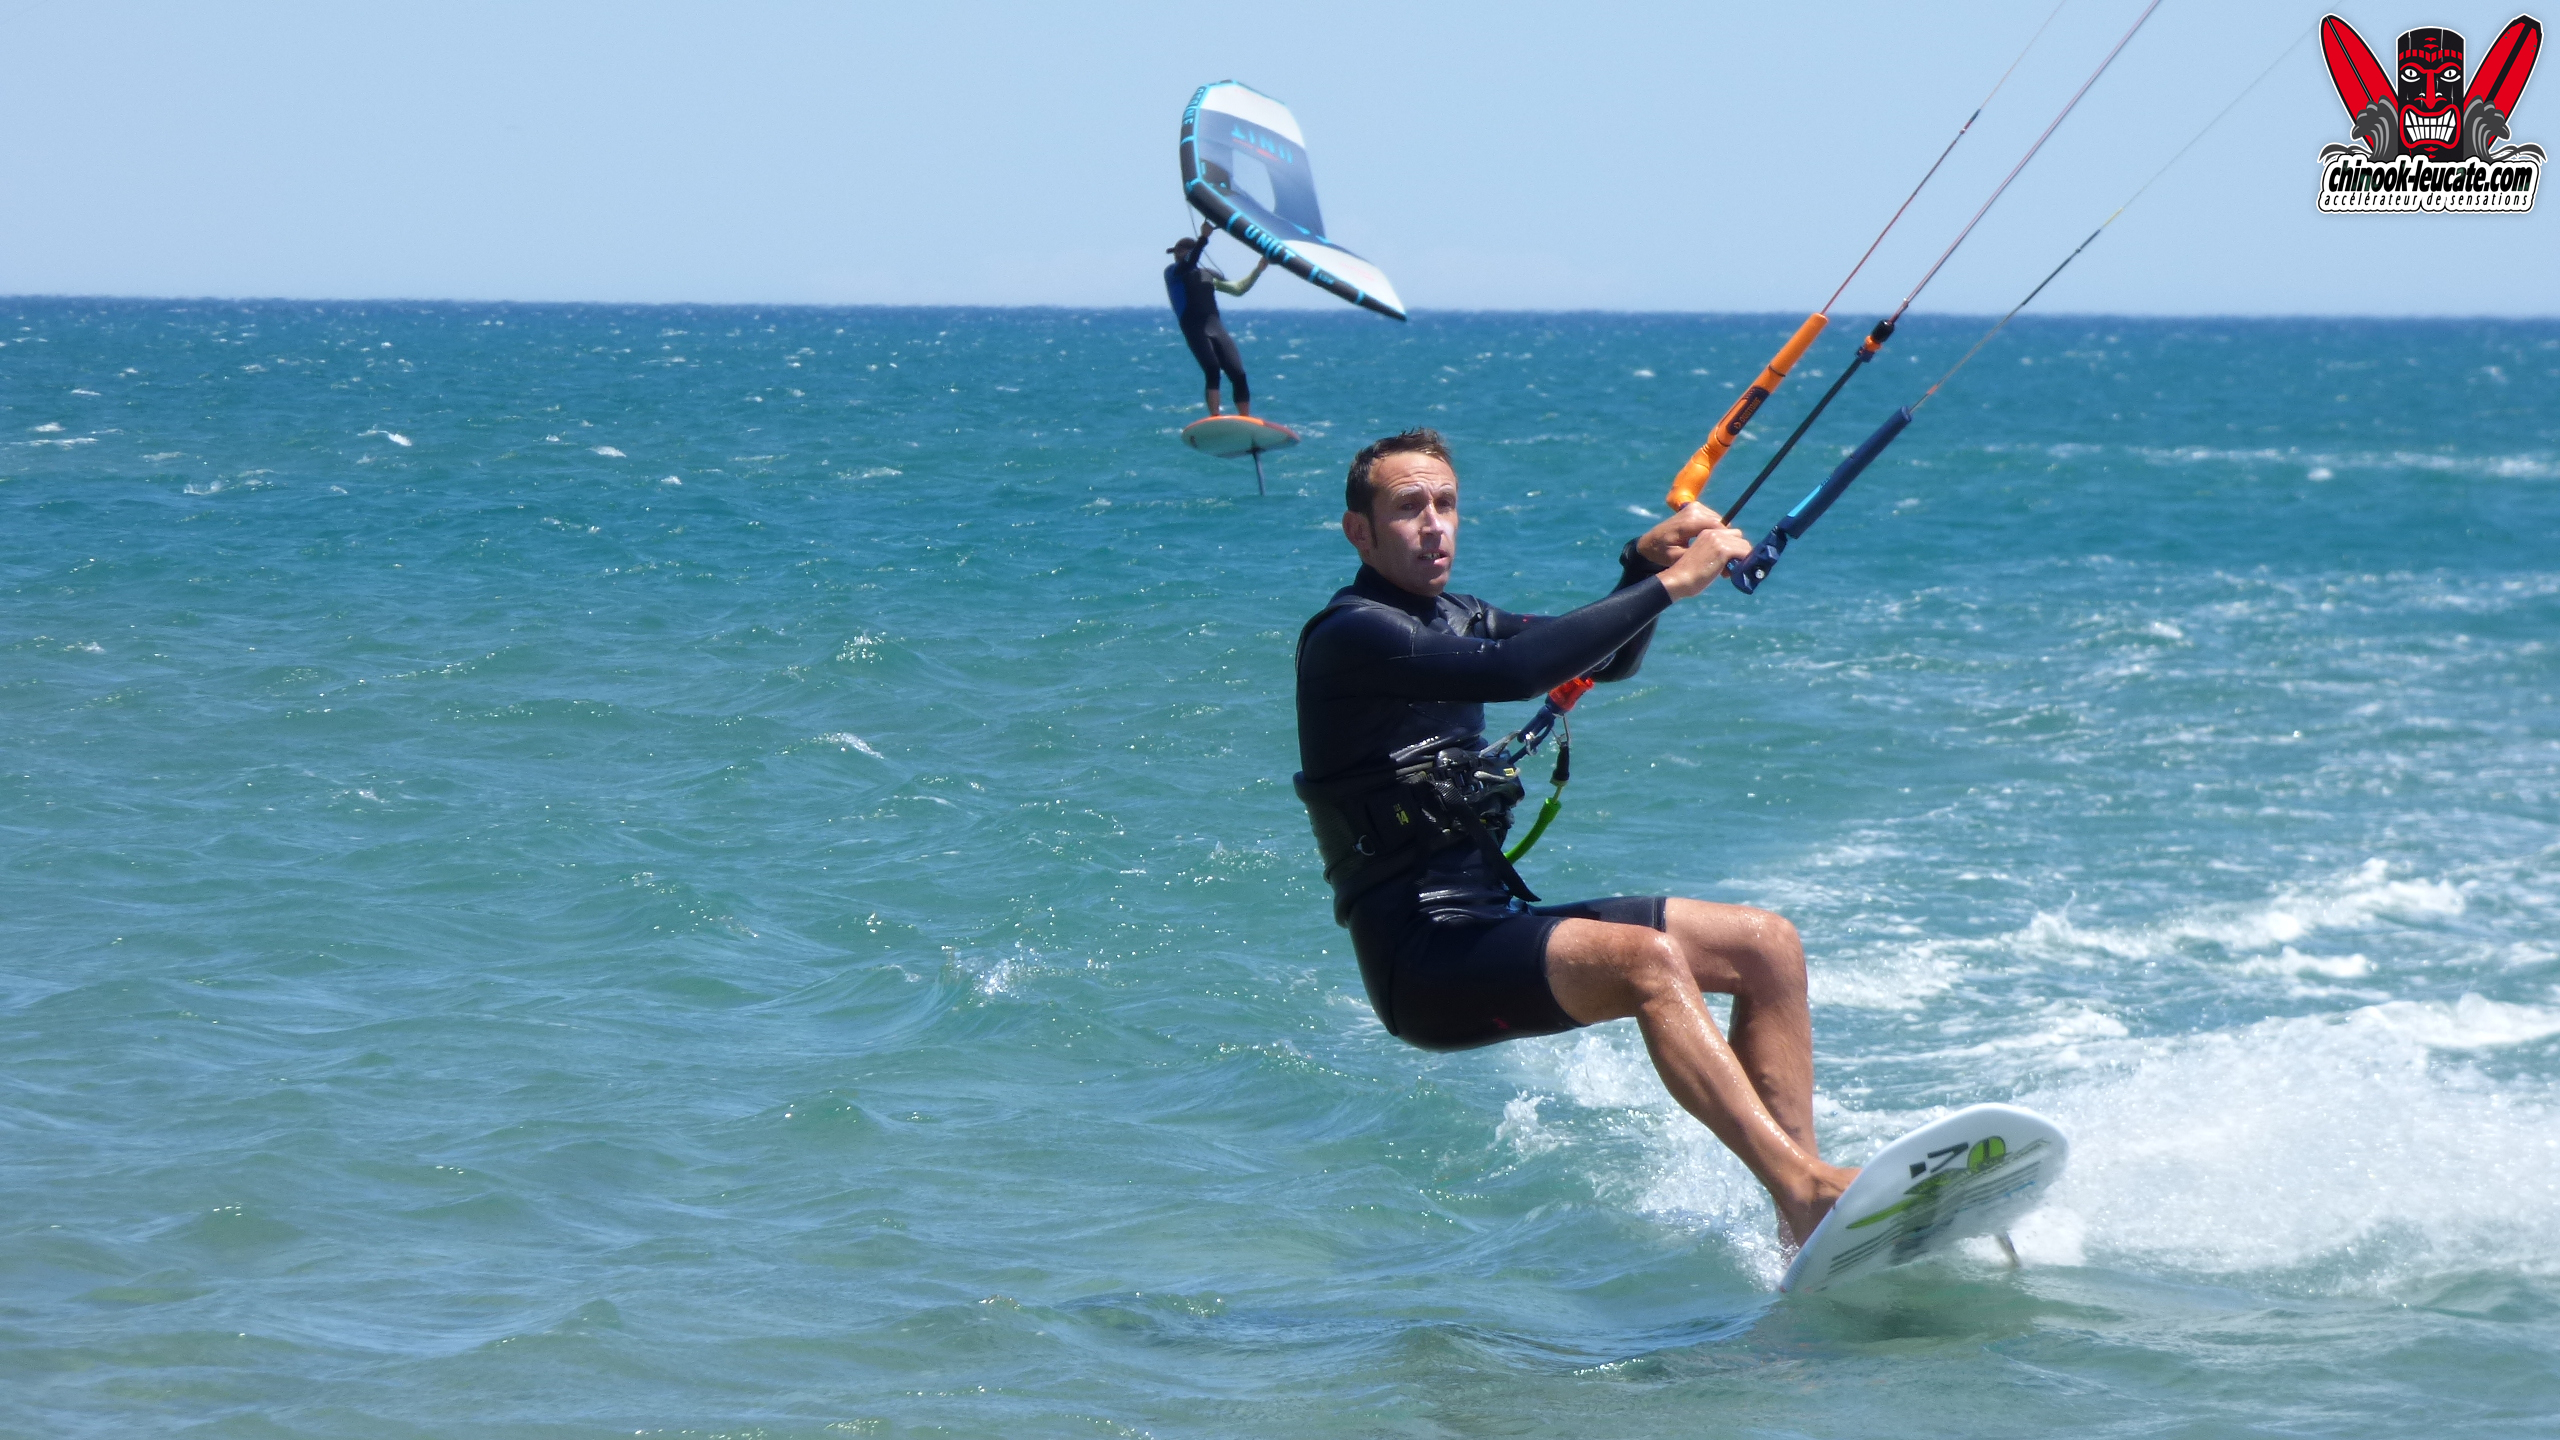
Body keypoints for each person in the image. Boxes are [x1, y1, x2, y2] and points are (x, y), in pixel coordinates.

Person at [1292, 428, 1858, 1245]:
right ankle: (1805, 1189)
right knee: (1645, 962)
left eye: (1446, 504)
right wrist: (1671, 586)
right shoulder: (1352, 635)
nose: (1434, 524)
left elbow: (1600, 660)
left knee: (1766, 946)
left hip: (1489, 919)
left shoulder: (1460, 615)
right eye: (1409, 508)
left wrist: (1639, 567)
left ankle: (1805, 1219)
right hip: (1422, 959)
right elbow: (1514, 673)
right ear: (1360, 531)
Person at [1163, 221, 1270, 417]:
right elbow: (1189, 264)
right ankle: (1215, 417)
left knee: (1238, 373)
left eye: (1180, 251)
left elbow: (1238, 289)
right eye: (1175, 252)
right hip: (1193, 327)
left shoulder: (1208, 275)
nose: (1176, 255)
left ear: (1189, 251)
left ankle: (1245, 420)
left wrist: (1258, 270)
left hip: (1215, 326)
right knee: (1212, 368)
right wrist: (1203, 238)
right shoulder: (1173, 273)